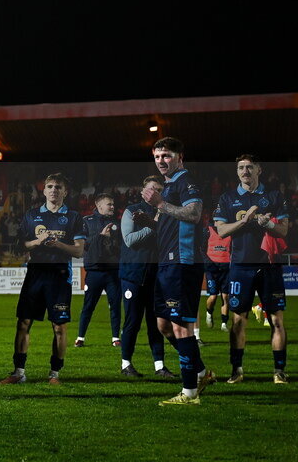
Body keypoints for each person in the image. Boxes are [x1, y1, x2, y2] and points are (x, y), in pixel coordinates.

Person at [143, 137, 215, 405]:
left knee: (181, 326)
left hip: (183, 263)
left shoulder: (187, 182)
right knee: (164, 325)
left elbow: (194, 214)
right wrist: (151, 219)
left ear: (179, 157)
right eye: (158, 156)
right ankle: (201, 371)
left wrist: (160, 204)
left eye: (167, 155)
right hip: (167, 263)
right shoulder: (170, 185)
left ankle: (190, 393)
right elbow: (171, 221)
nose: (162, 161)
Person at [0, 172, 85, 386]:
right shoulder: (31, 215)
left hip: (59, 277)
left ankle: (54, 374)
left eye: (58, 187)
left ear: (65, 192)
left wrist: (58, 245)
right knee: (23, 323)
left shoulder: (74, 217)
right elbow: (22, 246)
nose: (54, 190)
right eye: (50, 186)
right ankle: (18, 372)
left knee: (59, 327)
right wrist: (38, 241)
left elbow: (78, 251)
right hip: (35, 274)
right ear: (44, 190)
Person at [214, 154, 290, 385]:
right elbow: (221, 231)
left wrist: (267, 223)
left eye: (249, 167)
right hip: (240, 267)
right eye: (240, 168)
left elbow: (283, 231)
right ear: (237, 172)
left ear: (259, 169)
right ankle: (237, 369)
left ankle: (279, 371)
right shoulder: (227, 198)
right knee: (238, 321)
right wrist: (245, 221)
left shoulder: (274, 196)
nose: (245, 171)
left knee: (277, 321)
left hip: (269, 267)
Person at [118, 176, 176, 379]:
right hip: (133, 275)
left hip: (156, 276)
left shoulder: (167, 212)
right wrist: (154, 226)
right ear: (143, 191)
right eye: (152, 188)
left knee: (156, 323)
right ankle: (126, 364)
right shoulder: (131, 211)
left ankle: (160, 366)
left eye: (159, 189)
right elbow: (130, 241)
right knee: (132, 321)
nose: (156, 192)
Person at [74, 193, 122, 349]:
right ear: (99, 205)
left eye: (113, 204)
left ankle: (116, 338)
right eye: (109, 204)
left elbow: (122, 245)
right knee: (88, 306)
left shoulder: (118, 223)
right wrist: (101, 237)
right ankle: (80, 337)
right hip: (94, 271)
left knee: (115, 305)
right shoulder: (86, 222)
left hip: (113, 271)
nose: (112, 207)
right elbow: (83, 244)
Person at [203, 218, 231, 333]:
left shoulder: (230, 231)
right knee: (213, 296)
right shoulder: (207, 231)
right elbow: (201, 249)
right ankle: (209, 312)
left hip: (226, 269)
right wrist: (208, 263)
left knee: (226, 297)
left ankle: (224, 323)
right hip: (212, 269)